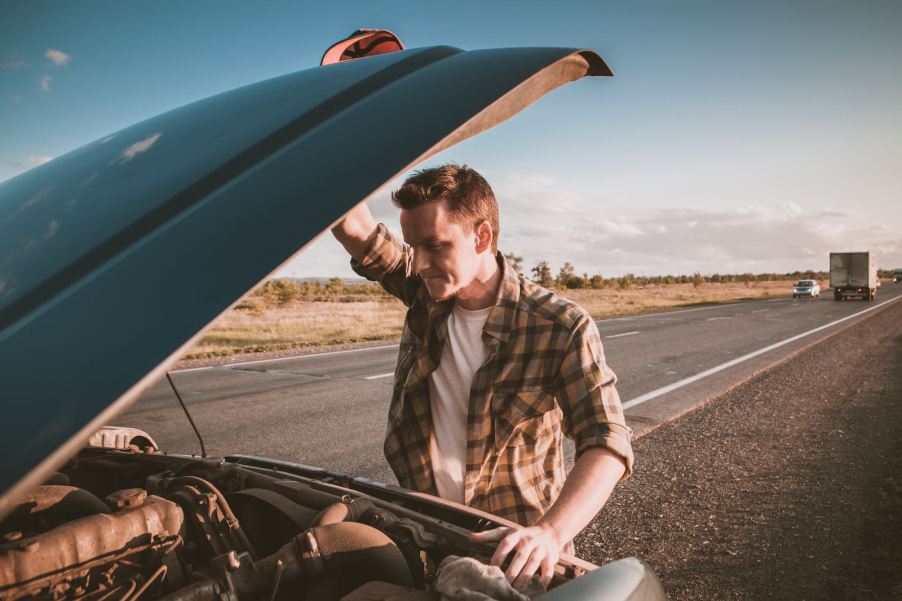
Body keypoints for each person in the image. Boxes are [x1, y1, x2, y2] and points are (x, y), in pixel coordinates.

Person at [331, 163, 633, 589]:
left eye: (434, 246)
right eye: (413, 247)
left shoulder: (560, 326)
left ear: (483, 236)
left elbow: (608, 442)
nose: (418, 264)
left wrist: (550, 534)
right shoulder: (426, 293)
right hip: (428, 535)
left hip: (514, 559)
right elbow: (358, 230)